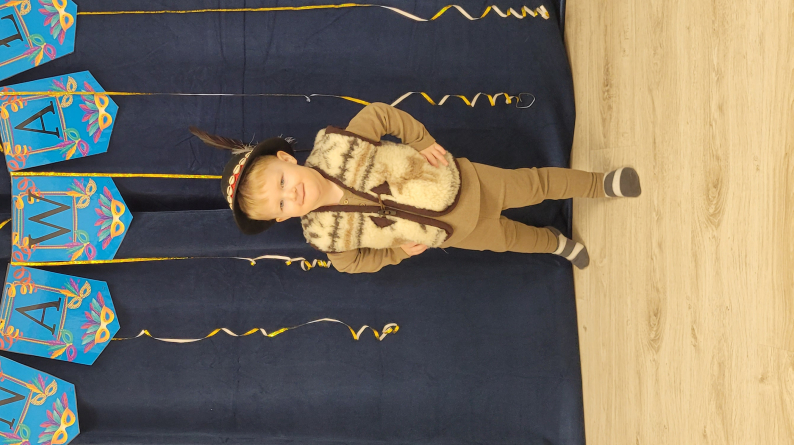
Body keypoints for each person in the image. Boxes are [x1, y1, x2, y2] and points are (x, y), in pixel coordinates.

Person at [191, 103, 639, 273]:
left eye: (283, 182)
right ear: (282, 218)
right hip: (454, 233)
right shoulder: (327, 238)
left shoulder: (338, 146)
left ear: (287, 159)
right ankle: (557, 245)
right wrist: (396, 253)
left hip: (466, 182)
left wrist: (421, 141)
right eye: (280, 204)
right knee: (511, 239)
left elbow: (381, 114)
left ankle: (600, 184)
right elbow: (355, 265)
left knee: (535, 184)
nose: (291, 195)